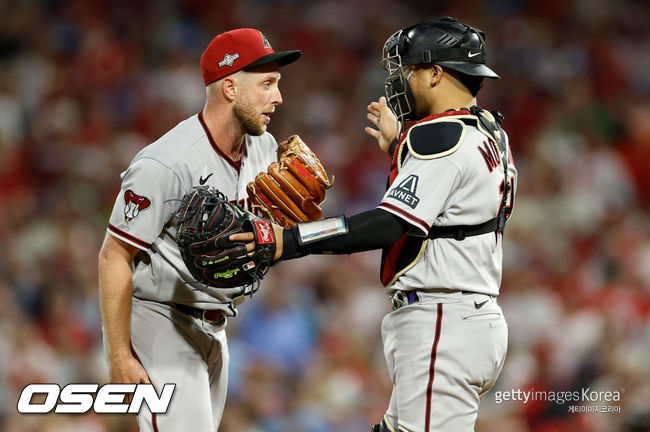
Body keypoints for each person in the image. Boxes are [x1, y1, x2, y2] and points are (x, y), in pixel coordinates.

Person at [234, 17, 518, 432]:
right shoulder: (489, 131)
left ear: (436, 74)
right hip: (464, 318)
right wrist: (402, 149)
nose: (400, 80)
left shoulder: (440, 137)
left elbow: (389, 224)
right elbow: (452, 198)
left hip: (443, 322)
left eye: (409, 70)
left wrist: (289, 240)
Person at [97, 28, 300, 431]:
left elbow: (268, 236)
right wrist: (119, 355)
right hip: (159, 320)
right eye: (267, 84)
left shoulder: (262, 147)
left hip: (217, 327)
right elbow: (114, 255)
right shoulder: (165, 162)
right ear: (229, 88)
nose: (278, 97)